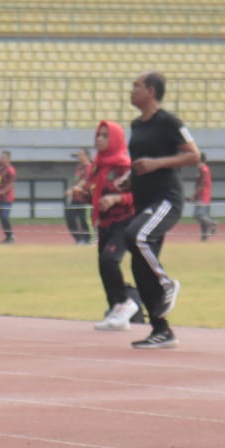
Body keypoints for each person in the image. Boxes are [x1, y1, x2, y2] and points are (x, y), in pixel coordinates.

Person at [114, 71, 199, 349]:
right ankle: (162, 330)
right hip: (144, 199)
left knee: (135, 236)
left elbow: (193, 155)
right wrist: (129, 178)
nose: (131, 90)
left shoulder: (169, 122)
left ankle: (166, 284)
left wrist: (155, 164)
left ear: (151, 91)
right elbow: (141, 161)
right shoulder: (137, 124)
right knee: (140, 266)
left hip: (166, 199)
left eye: (135, 85)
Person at [78, 121, 138, 331]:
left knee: (110, 259)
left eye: (105, 136)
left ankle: (127, 302)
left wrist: (116, 200)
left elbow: (136, 195)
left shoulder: (124, 165)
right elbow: (95, 193)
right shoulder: (97, 165)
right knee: (103, 267)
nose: (99, 139)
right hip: (103, 222)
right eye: (98, 135)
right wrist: (85, 196)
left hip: (122, 221)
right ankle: (115, 307)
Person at [65, 148, 93, 245]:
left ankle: (88, 239)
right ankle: (78, 238)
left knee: (84, 219)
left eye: (80, 155)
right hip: (76, 198)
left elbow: (84, 181)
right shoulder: (78, 168)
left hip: (85, 198)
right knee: (70, 217)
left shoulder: (89, 167)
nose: (79, 157)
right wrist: (72, 189)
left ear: (87, 156)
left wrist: (73, 189)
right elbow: (76, 181)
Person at [192, 152, 216, 241]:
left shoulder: (204, 170)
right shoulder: (202, 170)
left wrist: (194, 195)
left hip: (203, 197)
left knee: (198, 215)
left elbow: (202, 185)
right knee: (203, 216)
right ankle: (204, 236)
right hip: (204, 196)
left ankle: (212, 223)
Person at [0, 150, 17, 243]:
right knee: (1, 217)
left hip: (7, 198)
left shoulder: (10, 170)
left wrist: (2, 191)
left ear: (8, 159)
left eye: (3, 157)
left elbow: (12, 184)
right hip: (0, 197)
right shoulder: (0, 170)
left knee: (4, 216)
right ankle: (7, 236)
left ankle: (10, 235)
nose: (1, 159)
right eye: (1, 157)